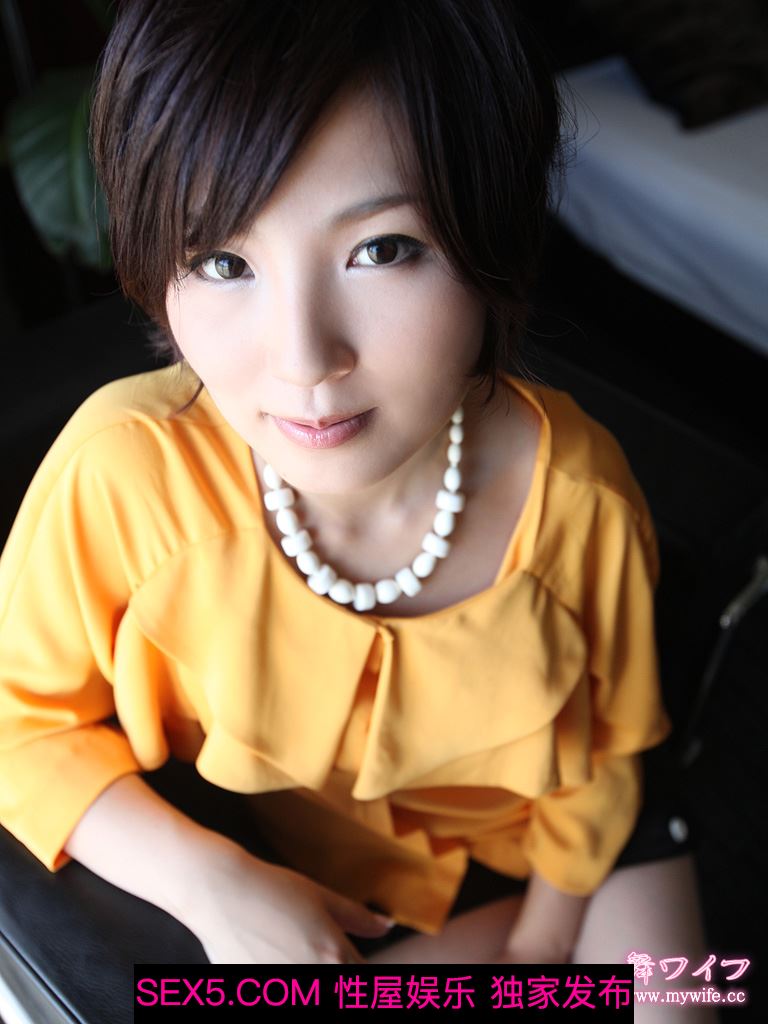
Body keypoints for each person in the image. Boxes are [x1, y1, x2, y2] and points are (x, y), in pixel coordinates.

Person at [0, 0, 714, 1003]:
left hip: (574, 850)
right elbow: (16, 726)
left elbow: (608, 754)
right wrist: (211, 883)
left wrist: (539, 949)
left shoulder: (580, 497)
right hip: (334, 887)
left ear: (488, 238)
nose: (304, 360)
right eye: (223, 263)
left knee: (696, 995)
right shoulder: (125, 477)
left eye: (381, 249)